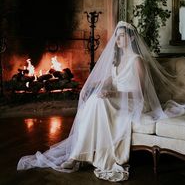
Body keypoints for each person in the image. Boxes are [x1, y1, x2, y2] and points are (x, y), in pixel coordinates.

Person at [17, 21, 169, 182]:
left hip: (134, 102)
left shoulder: (137, 60)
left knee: (100, 102)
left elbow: (140, 94)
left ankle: (78, 157)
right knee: (95, 99)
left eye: (121, 36)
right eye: (116, 37)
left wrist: (113, 93)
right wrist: (92, 87)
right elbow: (111, 80)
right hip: (116, 99)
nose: (117, 40)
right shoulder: (117, 61)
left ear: (131, 39)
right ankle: (78, 155)